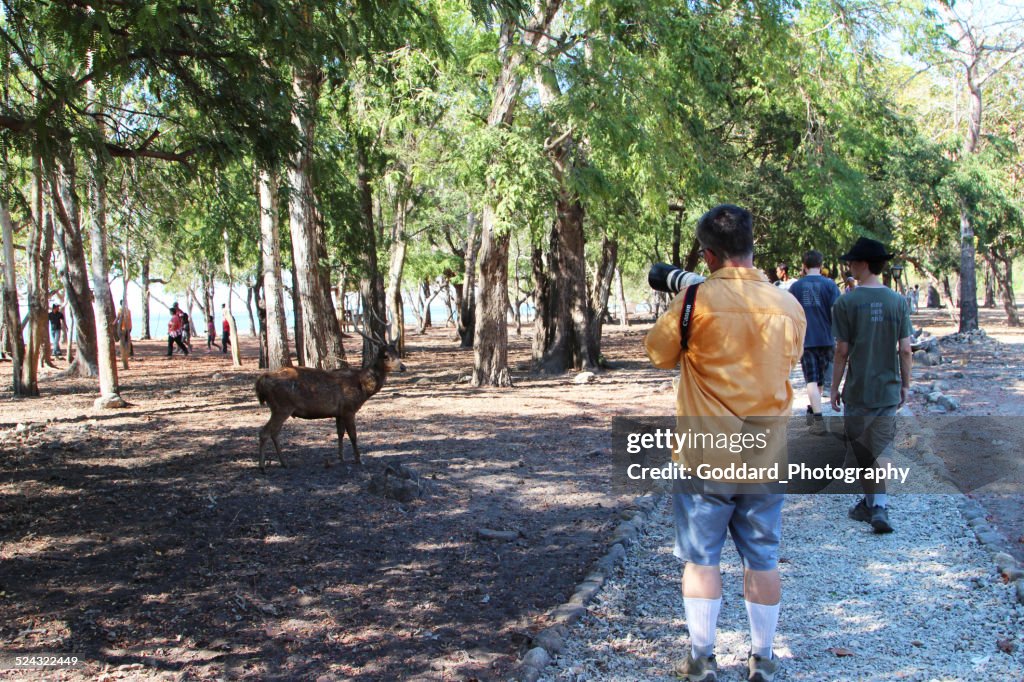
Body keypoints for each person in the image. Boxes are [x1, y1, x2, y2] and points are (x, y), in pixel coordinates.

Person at [646, 205, 806, 682]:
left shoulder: (694, 301)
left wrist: (687, 298)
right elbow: (790, 360)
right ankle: (763, 658)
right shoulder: (788, 306)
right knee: (763, 557)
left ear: (708, 254)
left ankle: (701, 659)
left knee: (702, 558)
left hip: (704, 455)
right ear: (752, 246)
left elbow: (658, 354)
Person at [830, 237, 913, 534]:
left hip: (858, 389)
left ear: (863, 264)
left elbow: (842, 350)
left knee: (864, 451)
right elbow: (905, 349)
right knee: (882, 448)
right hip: (888, 388)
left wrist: (834, 387)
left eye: (852, 262)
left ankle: (876, 505)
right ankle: (875, 503)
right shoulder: (898, 301)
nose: (849, 267)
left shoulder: (846, 302)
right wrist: (906, 384)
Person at [788, 250, 841, 429]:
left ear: (804, 265)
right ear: (821, 264)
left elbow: (791, 314)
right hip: (826, 338)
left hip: (806, 339)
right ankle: (814, 411)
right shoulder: (830, 285)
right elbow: (837, 311)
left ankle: (817, 417)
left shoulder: (795, 287)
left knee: (812, 379)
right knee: (820, 380)